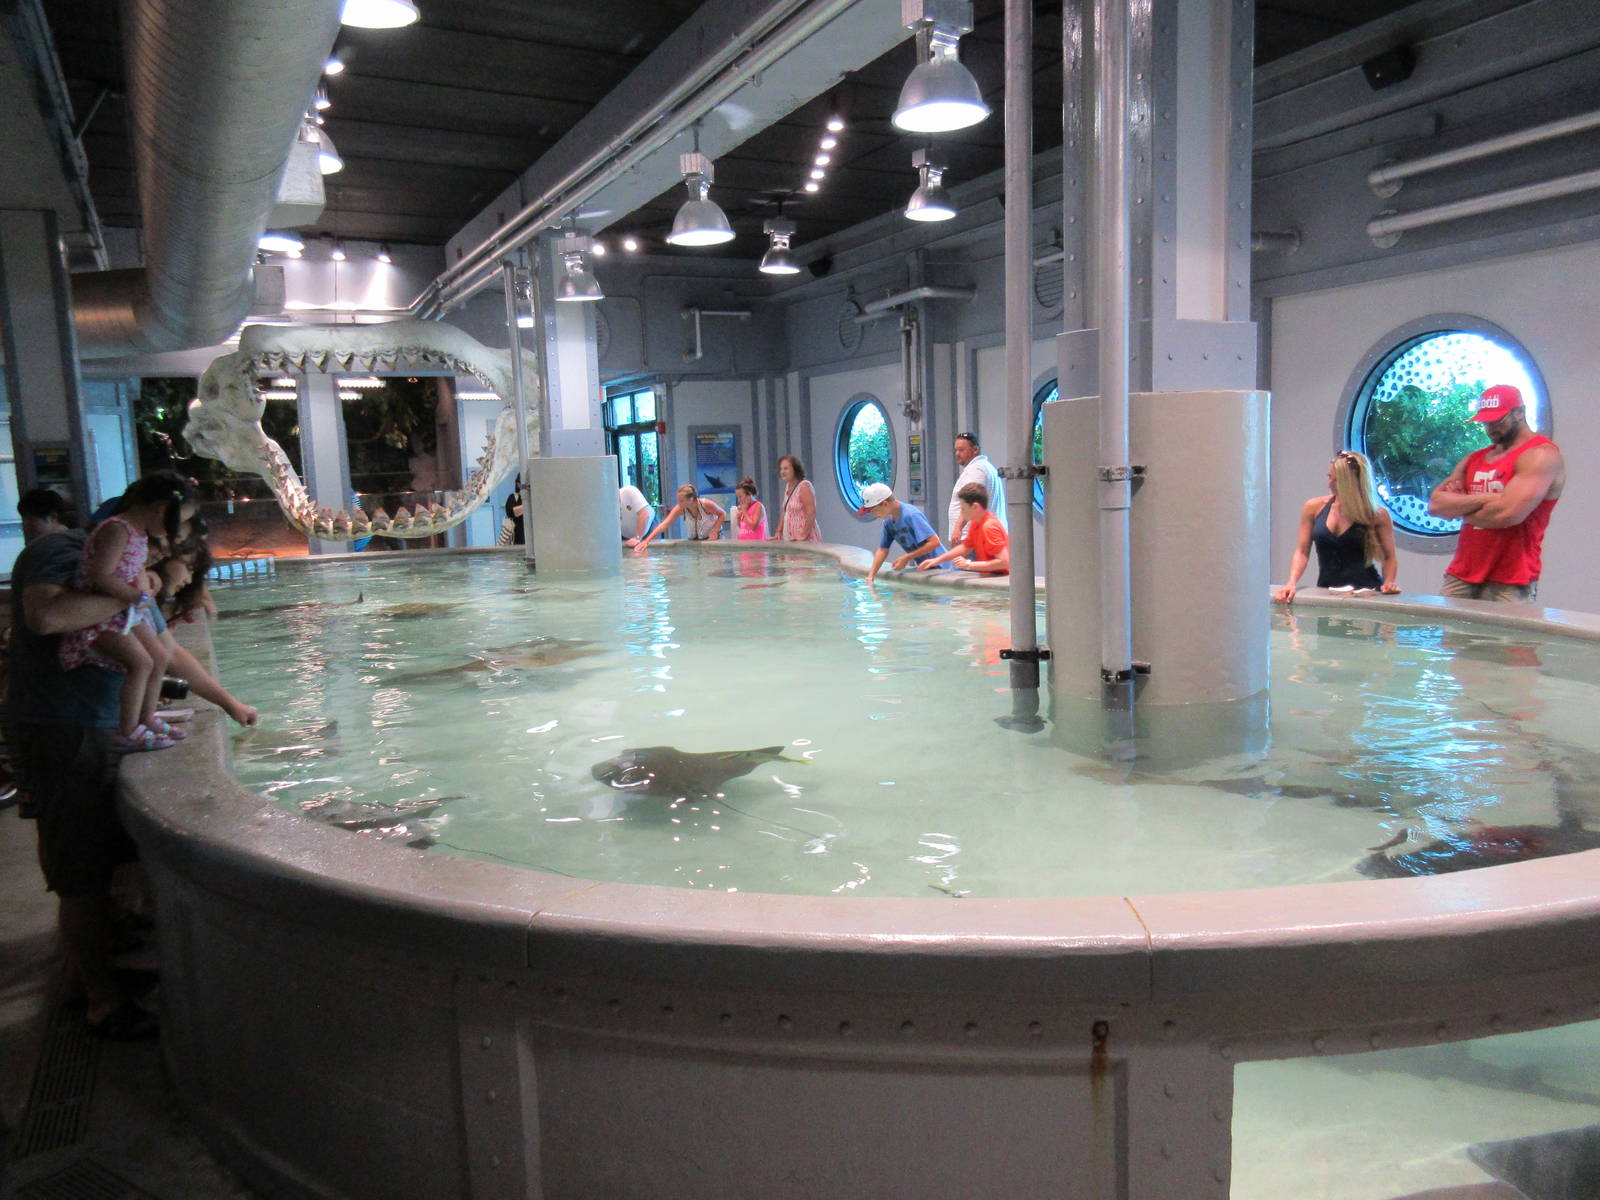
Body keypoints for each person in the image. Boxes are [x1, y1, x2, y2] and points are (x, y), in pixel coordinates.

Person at [8, 480, 179, 1038]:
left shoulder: (116, 556)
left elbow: (160, 651)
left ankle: (89, 976)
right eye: (162, 542)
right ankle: (103, 1003)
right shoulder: (57, 551)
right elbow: (46, 618)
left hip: (92, 724)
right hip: (64, 727)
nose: (159, 554)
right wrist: (138, 591)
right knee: (79, 872)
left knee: (96, 862)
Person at [58, 474, 199, 752]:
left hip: (125, 612)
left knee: (159, 656)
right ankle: (127, 731)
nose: (174, 532)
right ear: (160, 509)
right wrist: (137, 595)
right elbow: (101, 576)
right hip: (99, 618)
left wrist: (146, 579)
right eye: (175, 522)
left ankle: (146, 719)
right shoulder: (117, 529)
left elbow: (128, 569)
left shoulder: (137, 533)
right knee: (141, 663)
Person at [1428, 384, 1565, 602]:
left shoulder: (1540, 455)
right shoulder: (1474, 459)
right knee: (1449, 636)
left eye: (1497, 420)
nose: (1490, 428)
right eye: (1486, 421)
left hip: (1511, 579)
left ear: (1519, 413)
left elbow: (1507, 515)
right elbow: (1436, 506)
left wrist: (1461, 508)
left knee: (1501, 637)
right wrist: (1488, 499)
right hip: (1461, 573)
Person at [1273, 450, 1400, 604]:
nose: (1329, 484)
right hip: (1326, 591)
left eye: (1336, 480)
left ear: (1350, 483)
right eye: (1329, 477)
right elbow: (1302, 551)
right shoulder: (1313, 508)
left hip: (1366, 594)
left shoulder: (1377, 514)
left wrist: (1388, 582)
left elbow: (1389, 556)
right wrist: (1291, 582)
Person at [858, 481, 945, 583]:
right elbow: (883, 550)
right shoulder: (888, 522)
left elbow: (935, 542)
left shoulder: (911, 515)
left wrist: (907, 557)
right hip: (928, 568)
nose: (874, 515)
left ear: (885, 504)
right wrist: (871, 576)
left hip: (944, 567)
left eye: (873, 511)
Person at [919, 483, 1010, 575]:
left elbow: (1004, 562)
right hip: (992, 577)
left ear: (975, 507)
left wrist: (969, 564)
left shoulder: (989, 527)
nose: (961, 512)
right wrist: (937, 560)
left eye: (963, 508)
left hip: (1003, 579)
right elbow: (965, 548)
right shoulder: (976, 523)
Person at [947, 433, 1006, 546]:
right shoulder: (984, 467)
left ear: (975, 450)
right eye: (956, 450)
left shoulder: (977, 470)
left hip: (972, 538)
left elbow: (972, 500)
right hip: (976, 536)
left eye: (961, 450)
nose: (957, 454)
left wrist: (958, 528)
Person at [633, 484, 726, 552]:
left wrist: (714, 531)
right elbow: (663, 525)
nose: (679, 504)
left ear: (691, 499)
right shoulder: (680, 509)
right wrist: (646, 541)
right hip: (695, 543)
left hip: (713, 542)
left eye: (681, 501)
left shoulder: (706, 504)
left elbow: (722, 514)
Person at [771, 455, 822, 542]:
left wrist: (802, 536)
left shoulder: (804, 486)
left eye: (786, 468)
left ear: (795, 469)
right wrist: (778, 532)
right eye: (781, 469)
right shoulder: (788, 486)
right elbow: (785, 511)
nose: (782, 472)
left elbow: (811, 512)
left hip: (805, 539)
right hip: (791, 538)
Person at [619, 483, 653, 548]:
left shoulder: (629, 491)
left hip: (649, 527)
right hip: (625, 536)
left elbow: (644, 515)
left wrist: (637, 538)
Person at [500, 474, 525, 545]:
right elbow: (512, 512)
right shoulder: (513, 497)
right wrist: (528, 503)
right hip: (517, 541)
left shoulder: (536, 498)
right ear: (518, 484)